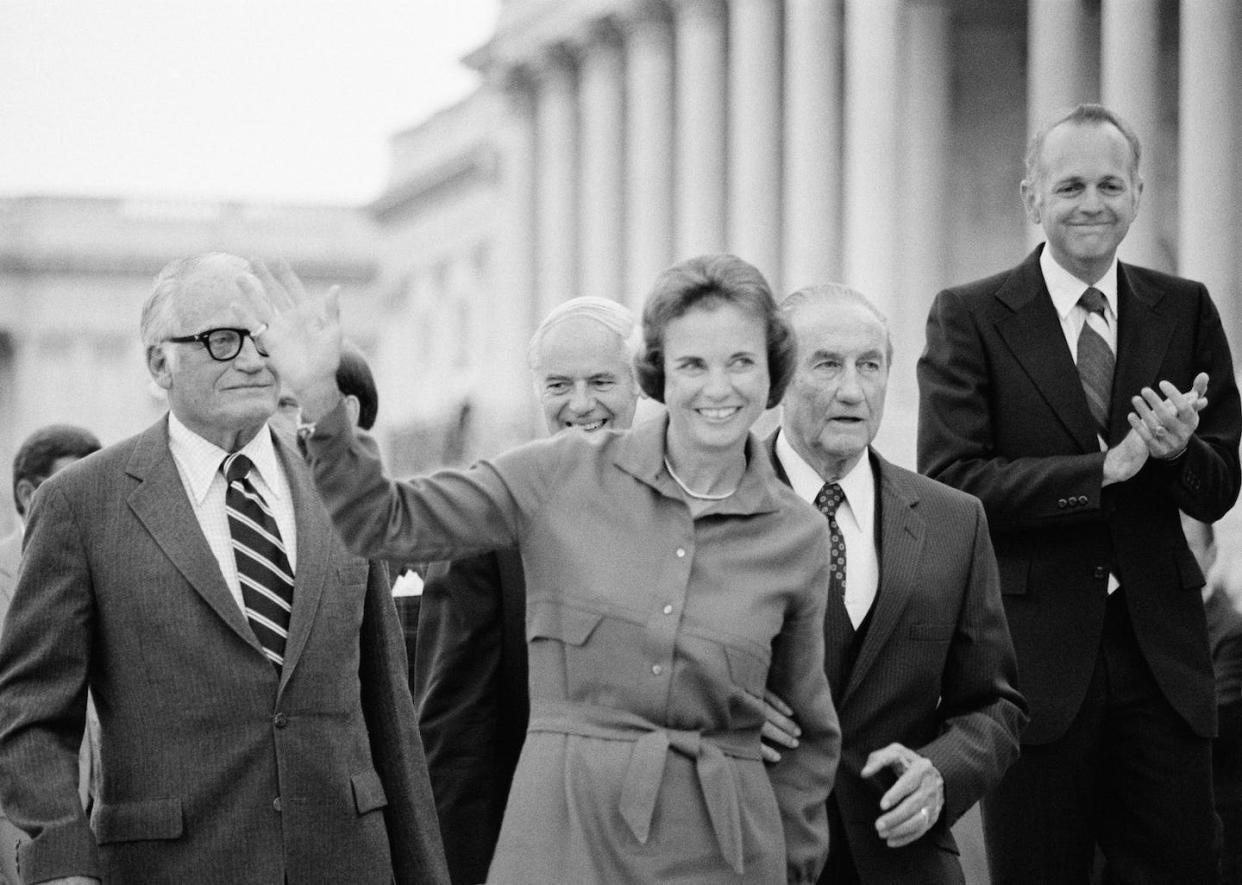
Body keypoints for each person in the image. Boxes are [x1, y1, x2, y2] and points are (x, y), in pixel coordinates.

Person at [251, 253, 841, 883]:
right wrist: (320, 397)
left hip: (727, 855)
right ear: (659, 376)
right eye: (693, 364)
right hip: (564, 845)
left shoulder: (797, 534)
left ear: (772, 374)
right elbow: (384, 521)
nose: (718, 388)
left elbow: (808, 737)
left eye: (741, 362)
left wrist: (793, 867)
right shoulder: (558, 472)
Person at [0, 253, 449, 885]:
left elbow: (387, 708)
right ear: (161, 362)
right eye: (221, 340)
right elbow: (31, 712)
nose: (251, 359)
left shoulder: (339, 485)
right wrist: (60, 864)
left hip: (348, 861)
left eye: (266, 339)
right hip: (171, 865)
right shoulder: (81, 504)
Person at [917, 103, 1242, 883]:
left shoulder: (1186, 305)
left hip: (1164, 660)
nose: (1091, 203)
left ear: (1137, 192)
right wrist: (1100, 471)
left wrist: (1175, 454)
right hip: (1032, 666)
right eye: (1069, 187)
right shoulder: (971, 316)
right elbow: (951, 484)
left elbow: (1219, 485)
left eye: (1108, 184)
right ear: (1032, 198)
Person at [763, 284, 1026, 883]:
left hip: (905, 860)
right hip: (755, 851)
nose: (852, 390)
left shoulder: (954, 520)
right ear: (777, 380)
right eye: (827, 364)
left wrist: (942, 771)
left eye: (870, 366)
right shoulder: (718, 509)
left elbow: (995, 703)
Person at [414, 296, 642, 884]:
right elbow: (455, 741)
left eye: (601, 381)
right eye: (559, 384)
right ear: (537, 391)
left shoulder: (696, 511)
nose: (581, 404)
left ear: (639, 385)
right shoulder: (486, 522)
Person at [0, 425, 102, 885]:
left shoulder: (106, 565)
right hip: (20, 824)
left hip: (107, 819)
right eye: (72, 481)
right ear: (27, 492)